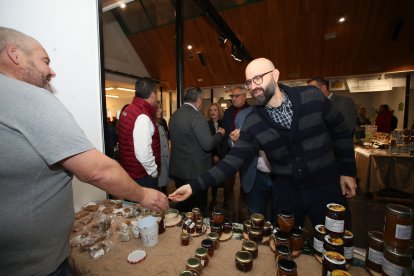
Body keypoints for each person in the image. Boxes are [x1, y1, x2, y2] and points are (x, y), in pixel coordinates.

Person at [0, 26, 168, 276]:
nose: (51, 71)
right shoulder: (30, 98)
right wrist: (143, 194)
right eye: (45, 61)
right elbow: (97, 170)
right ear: (15, 54)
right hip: (34, 266)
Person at [169, 58, 357, 228]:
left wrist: (348, 171)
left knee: (336, 243)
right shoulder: (253, 121)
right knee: (286, 248)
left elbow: (340, 129)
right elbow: (232, 161)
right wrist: (193, 186)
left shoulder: (311, 96)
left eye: (258, 78)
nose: (253, 86)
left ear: (275, 75)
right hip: (286, 193)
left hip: (325, 186)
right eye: (249, 82)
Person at [169, 87, 225, 215]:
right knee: (197, 209)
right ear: (199, 100)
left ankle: (182, 231)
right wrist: (220, 134)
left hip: (178, 171)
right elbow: (208, 145)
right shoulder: (197, 117)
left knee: (183, 205)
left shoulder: (175, 115)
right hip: (195, 173)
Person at [117, 77, 161, 189]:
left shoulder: (129, 109)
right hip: (142, 176)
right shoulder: (143, 117)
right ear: (153, 95)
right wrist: (154, 172)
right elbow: (143, 154)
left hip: (130, 172)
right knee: (147, 206)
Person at [220, 87, 251, 221]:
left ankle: (243, 212)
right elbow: (223, 133)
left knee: (246, 183)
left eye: (236, 96)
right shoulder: (227, 113)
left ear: (244, 96)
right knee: (228, 184)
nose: (233, 98)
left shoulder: (252, 112)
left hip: (246, 155)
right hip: (229, 154)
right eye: (232, 96)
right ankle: (230, 211)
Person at [205, 102, 224, 210]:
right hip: (211, 157)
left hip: (223, 156)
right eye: (211, 110)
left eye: (215, 110)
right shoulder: (206, 124)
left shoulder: (224, 123)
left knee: (225, 180)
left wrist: (220, 155)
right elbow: (208, 142)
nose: (212, 112)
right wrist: (214, 155)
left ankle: (225, 202)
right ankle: (213, 199)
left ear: (219, 111)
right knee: (213, 178)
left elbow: (225, 141)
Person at [156, 100, 170, 195]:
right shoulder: (150, 123)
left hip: (164, 158)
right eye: (157, 108)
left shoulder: (163, 122)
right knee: (156, 186)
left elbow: (167, 137)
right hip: (157, 160)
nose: (160, 110)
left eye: (160, 108)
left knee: (164, 184)